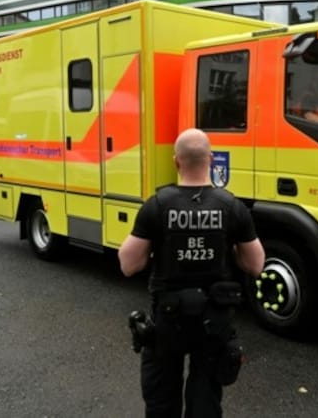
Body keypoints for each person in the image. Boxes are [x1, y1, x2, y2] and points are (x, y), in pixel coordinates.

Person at [119, 128, 265, 418]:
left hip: (168, 320)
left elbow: (128, 264)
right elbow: (255, 264)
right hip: (214, 321)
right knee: (205, 402)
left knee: (161, 401)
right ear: (211, 160)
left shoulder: (157, 206)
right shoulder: (231, 207)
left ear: (176, 162)